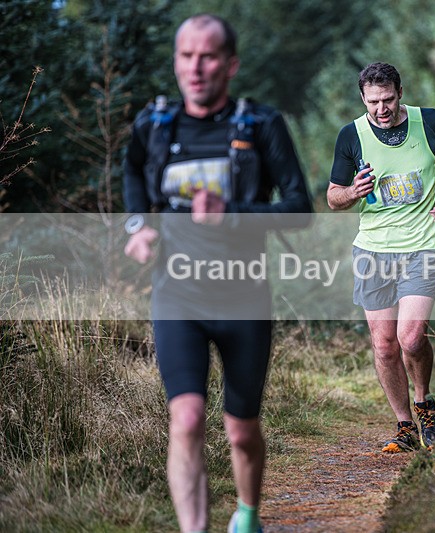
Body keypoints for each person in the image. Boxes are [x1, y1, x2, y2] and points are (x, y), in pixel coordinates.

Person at [122, 14, 312, 533]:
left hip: (244, 299)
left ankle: (247, 513)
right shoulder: (155, 124)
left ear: (230, 65)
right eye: (186, 56)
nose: (195, 67)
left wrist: (230, 214)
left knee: (240, 430)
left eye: (207, 56)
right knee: (185, 420)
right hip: (177, 297)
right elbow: (132, 169)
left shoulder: (260, 125)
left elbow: (300, 209)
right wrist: (138, 226)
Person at [326, 62, 435, 453]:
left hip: (422, 245)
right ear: (363, 99)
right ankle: (405, 425)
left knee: (411, 337)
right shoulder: (351, 136)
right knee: (385, 345)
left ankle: (424, 405)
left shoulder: (430, 122)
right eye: (373, 102)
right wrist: (353, 192)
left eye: (388, 99)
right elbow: (333, 197)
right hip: (373, 250)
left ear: (400, 93)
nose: (381, 109)